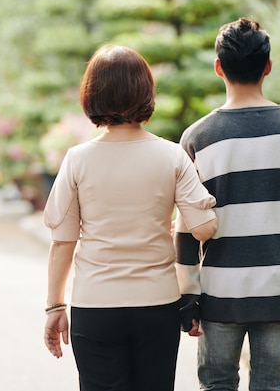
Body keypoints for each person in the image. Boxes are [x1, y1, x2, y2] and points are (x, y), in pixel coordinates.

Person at [42, 44, 218, 391]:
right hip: (157, 306)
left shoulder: (77, 160)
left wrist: (54, 307)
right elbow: (203, 228)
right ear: (146, 92)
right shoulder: (172, 156)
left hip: (95, 307)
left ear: (92, 95)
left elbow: (63, 242)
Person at [173, 17, 280, 391]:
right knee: (270, 385)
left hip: (219, 298)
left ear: (218, 68)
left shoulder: (199, 138)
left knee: (216, 383)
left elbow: (183, 228)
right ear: (268, 67)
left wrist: (188, 296)